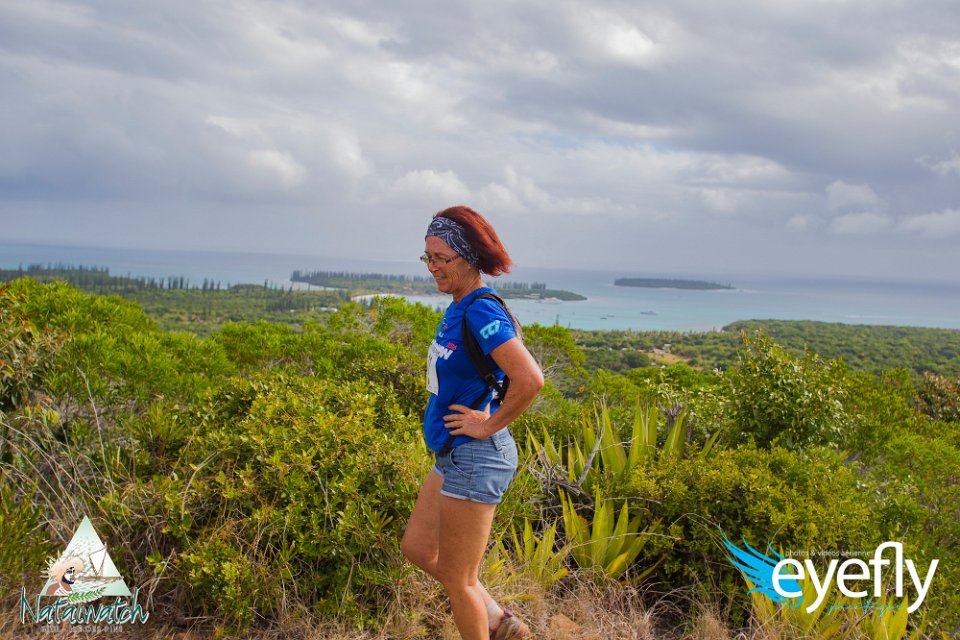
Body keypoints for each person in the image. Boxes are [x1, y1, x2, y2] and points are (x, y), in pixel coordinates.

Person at [401, 206, 544, 640]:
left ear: (467, 258)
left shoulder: (481, 311)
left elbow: (530, 379)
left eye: (441, 258)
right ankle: (501, 623)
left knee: (459, 579)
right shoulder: (458, 306)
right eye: (427, 257)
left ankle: (492, 627)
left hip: (477, 455)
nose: (432, 267)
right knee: (418, 548)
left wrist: (488, 425)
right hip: (453, 453)